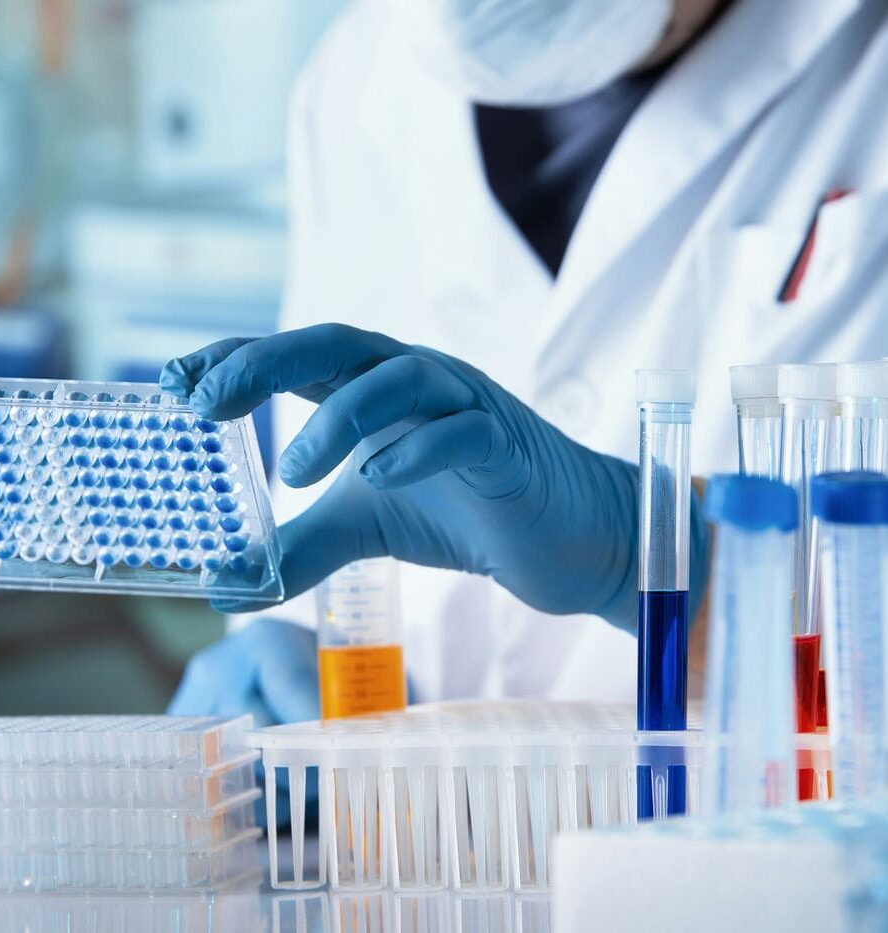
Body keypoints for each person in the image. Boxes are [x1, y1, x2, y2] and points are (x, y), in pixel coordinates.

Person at [167, 0, 888, 727]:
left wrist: (653, 555)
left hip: (747, 821)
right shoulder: (355, 72)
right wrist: (298, 661)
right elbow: (322, 489)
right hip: (416, 820)